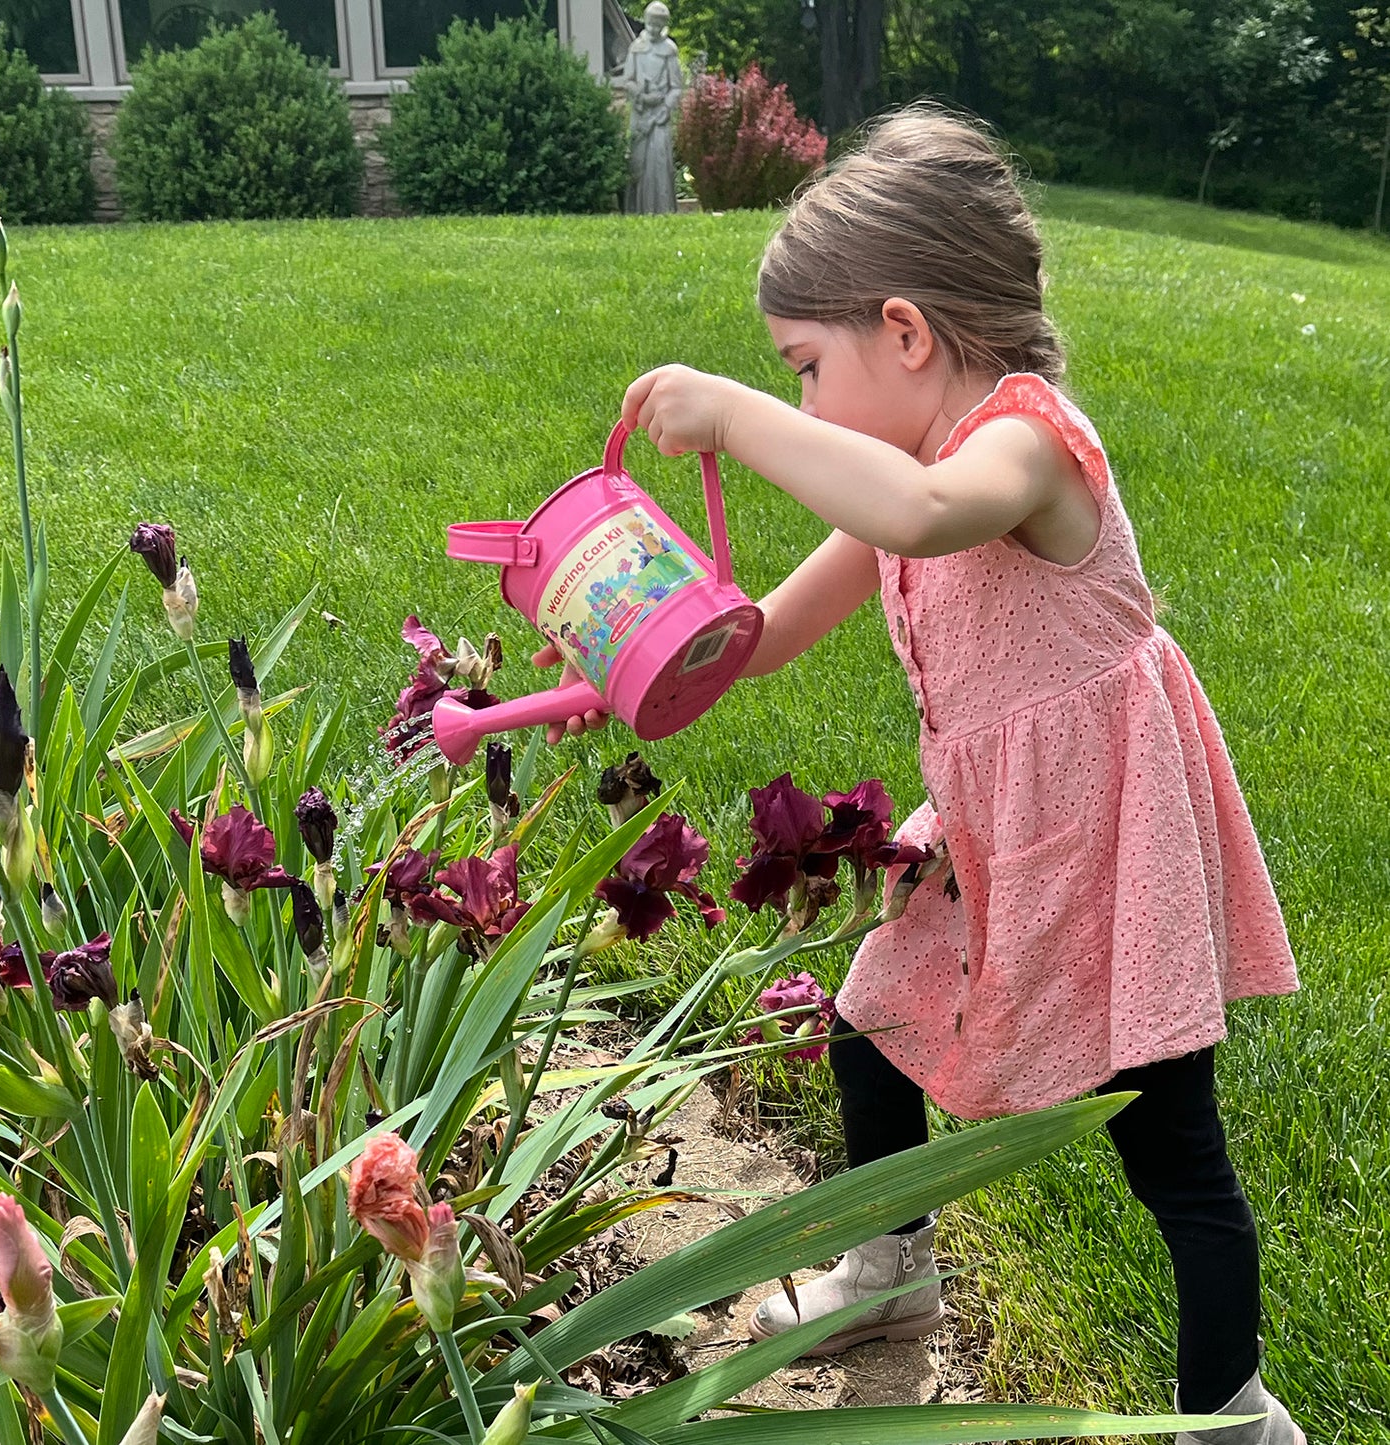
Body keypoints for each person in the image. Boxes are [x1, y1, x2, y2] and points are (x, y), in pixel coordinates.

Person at [534, 104, 1305, 1445]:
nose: (805, 400)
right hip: (990, 826)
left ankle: (1231, 1413)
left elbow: (922, 516)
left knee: (1164, 1138)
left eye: (806, 365)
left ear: (902, 331)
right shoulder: (906, 467)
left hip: (1110, 835)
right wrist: (626, 642)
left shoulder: (1019, 444)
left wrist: (737, 418)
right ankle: (889, 1272)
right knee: (873, 1020)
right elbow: (762, 635)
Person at [618, 0, 682, 214]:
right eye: (650, 24)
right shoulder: (636, 48)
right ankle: (637, 209)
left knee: (660, 163)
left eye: (658, 25)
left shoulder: (669, 50)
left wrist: (664, 106)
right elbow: (627, 80)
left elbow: (676, 87)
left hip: (660, 116)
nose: (653, 29)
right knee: (639, 163)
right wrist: (641, 96)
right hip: (641, 113)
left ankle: (662, 210)